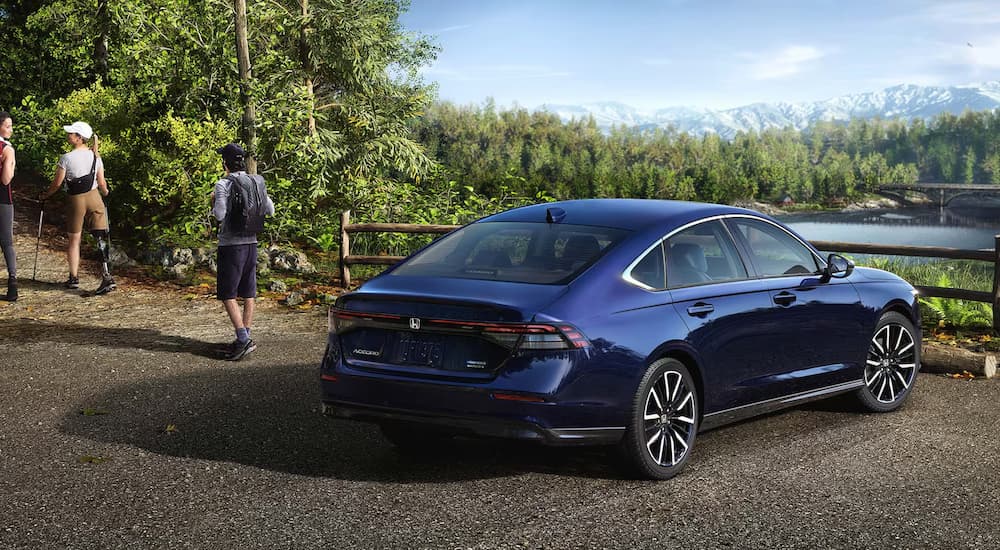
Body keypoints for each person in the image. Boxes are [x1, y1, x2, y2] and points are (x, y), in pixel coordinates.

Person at [211, 142, 274, 361]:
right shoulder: (256, 181)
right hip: (252, 243)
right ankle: (245, 336)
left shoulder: (223, 184)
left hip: (231, 245)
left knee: (228, 294)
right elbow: (270, 209)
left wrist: (213, 202)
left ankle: (242, 338)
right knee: (248, 291)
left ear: (225, 163)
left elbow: (219, 215)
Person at [39, 121, 116, 295]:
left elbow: (56, 184)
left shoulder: (66, 158)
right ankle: (106, 275)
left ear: (79, 138)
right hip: (95, 197)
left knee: (74, 240)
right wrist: (105, 192)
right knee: (100, 237)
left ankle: (73, 278)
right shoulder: (96, 157)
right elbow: (102, 183)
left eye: (71, 133)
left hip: (76, 201)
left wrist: (45, 195)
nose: (68, 136)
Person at [0, 111, 17, 301]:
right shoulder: (7, 149)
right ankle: (12, 284)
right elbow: (5, 179)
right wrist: (11, 167)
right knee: (7, 242)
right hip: (3, 199)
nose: (11, 130)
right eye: (7, 126)